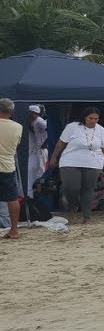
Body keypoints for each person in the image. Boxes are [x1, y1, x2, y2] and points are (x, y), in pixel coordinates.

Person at [47, 106, 104, 225]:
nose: (93, 121)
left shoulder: (101, 130)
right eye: (90, 118)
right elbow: (61, 143)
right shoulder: (72, 127)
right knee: (70, 187)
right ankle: (73, 205)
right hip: (70, 161)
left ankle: (87, 217)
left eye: (96, 119)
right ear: (84, 117)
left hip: (93, 162)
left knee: (88, 190)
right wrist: (53, 157)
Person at [0, 99, 24, 239]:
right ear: (11, 112)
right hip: (8, 166)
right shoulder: (18, 127)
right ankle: (14, 230)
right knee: (12, 199)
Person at [25, 105, 47, 199]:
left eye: (35, 113)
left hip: (40, 151)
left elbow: (46, 127)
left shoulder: (39, 121)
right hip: (34, 150)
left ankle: (31, 196)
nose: (32, 115)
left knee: (36, 171)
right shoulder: (29, 121)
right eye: (31, 113)